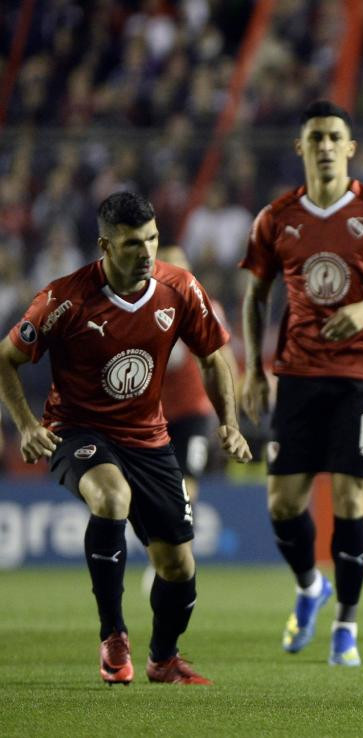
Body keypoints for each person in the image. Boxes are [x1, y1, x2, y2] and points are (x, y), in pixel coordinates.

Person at [0, 192, 252, 685]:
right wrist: (27, 425)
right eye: (134, 244)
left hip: (149, 437)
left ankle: (163, 658)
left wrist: (229, 422)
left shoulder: (179, 287)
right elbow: (5, 358)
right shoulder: (63, 299)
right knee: (112, 497)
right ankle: (113, 636)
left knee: (178, 566)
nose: (147, 253)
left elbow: (212, 358)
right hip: (78, 431)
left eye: (153, 240)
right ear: (105, 246)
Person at [240, 100, 363, 667]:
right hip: (297, 372)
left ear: (350, 148)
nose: (324, 146)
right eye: (315, 136)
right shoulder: (276, 218)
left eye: (334, 137)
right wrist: (253, 368)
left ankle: (346, 623)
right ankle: (308, 586)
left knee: (350, 497)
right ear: (301, 147)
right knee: (282, 503)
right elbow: (257, 295)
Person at [138, 245, 223, 594]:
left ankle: (179, 554)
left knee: (186, 486)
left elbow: (220, 357)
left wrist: (226, 410)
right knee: (153, 492)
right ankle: (162, 557)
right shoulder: (141, 310)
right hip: (153, 414)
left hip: (194, 412)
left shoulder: (205, 307)